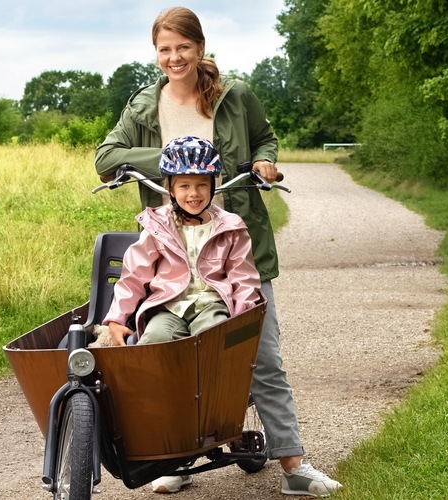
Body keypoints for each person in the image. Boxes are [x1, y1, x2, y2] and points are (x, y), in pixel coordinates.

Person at [93, 6, 343, 497]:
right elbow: (106, 157)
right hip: (174, 256)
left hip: (235, 246)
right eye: (164, 49)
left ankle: (294, 464)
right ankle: (177, 458)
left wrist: (266, 161)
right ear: (156, 54)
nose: (174, 57)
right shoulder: (145, 106)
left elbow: (265, 138)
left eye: (182, 47)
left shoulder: (235, 96)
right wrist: (171, 156)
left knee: (261, 356)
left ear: (200, 48)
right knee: (166, 356)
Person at [97, 136, 261, 348]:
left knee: (213, 342)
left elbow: (244, 277)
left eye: (202, 184)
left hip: (212, 306)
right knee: (153, 342)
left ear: (212, 186)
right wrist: (117, 318)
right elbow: (134, 276)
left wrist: (243, 318)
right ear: (171, 190)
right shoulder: (158, 225)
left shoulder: (230, 227)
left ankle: (209, 380)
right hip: (169, 306)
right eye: (184, 186)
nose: (194, 193)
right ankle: (157, 381)